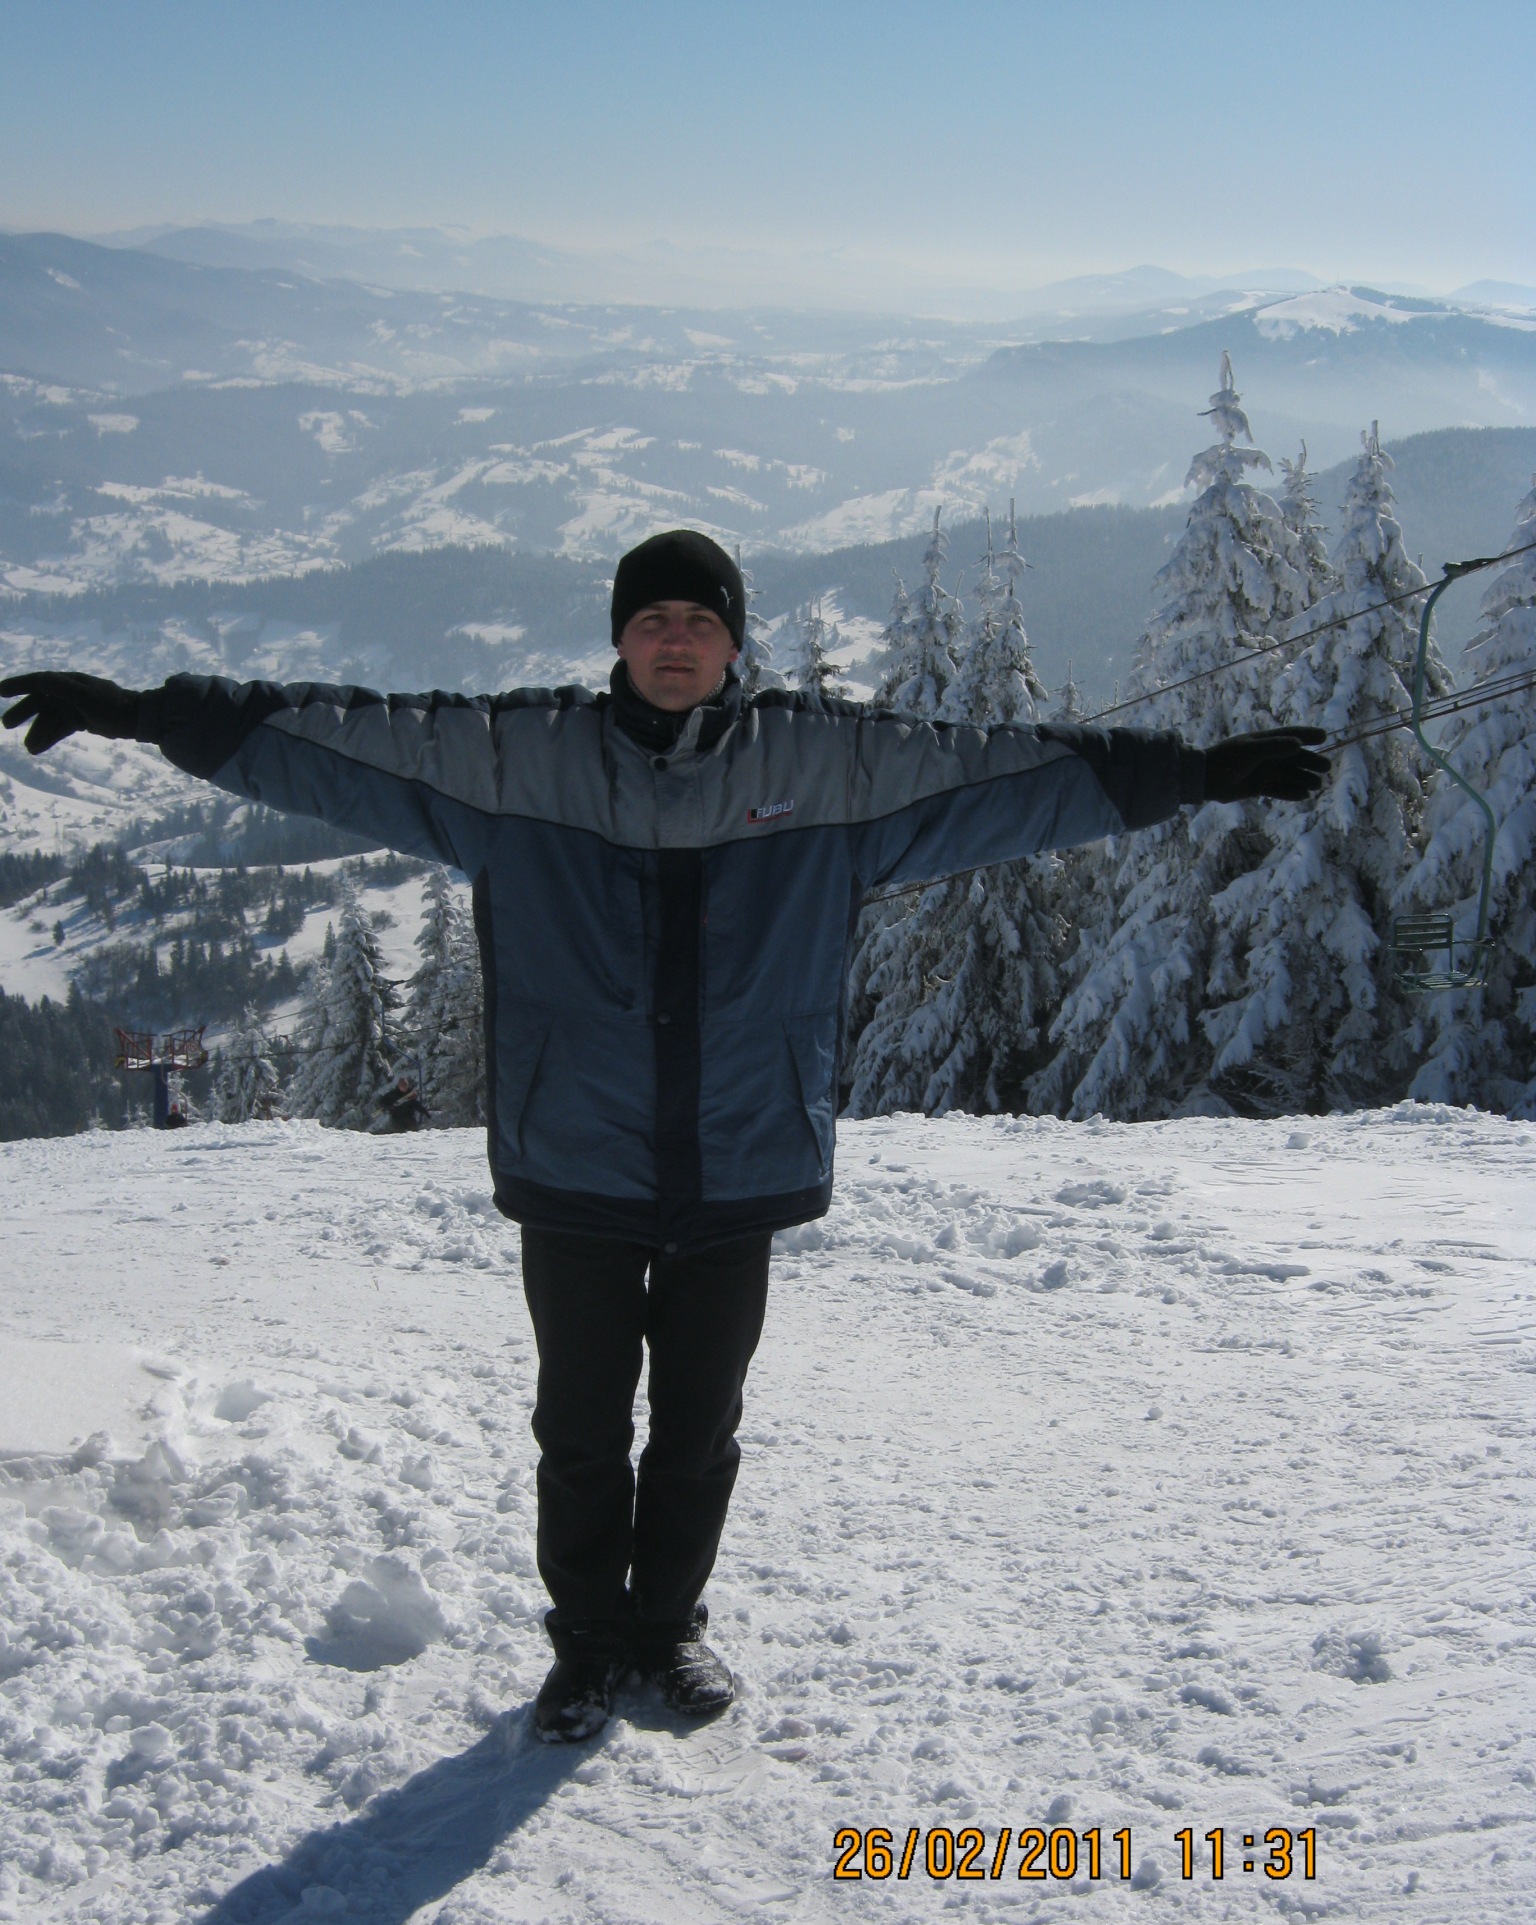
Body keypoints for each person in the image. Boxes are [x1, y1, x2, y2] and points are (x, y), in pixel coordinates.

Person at [1, 530, 1327, 1742]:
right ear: (620, 640)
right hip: (577, 1156)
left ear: (734, 642)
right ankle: (586, 1646)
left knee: (698, 1430)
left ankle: (668, 1629)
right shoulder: (518, 761)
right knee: (580, 1430)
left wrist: (1192, 776)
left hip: (740, 1153)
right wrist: (151, 713)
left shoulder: (827, 768)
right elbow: (337, 737)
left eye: (699, 619)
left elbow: (1006, 776)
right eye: (652, 619)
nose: (675, 638)